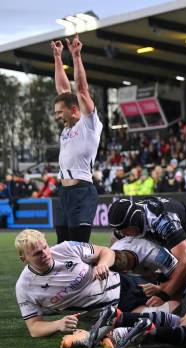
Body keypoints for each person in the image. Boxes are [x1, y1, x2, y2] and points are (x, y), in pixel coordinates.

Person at [13, 229, 150, 338]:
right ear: (23, 259)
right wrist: (58, 324)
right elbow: (34, 328)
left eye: (45, 247)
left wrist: (102, 264)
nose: (45, 254)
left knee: (166, 294)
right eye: (37, 253)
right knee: (156, 320)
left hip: (124, 286)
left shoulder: (66, 248)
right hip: (104, 317)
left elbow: (106, 251)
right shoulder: (24, 287)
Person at [107, 196, 186, 305]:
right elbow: (116, 240)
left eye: (125, 230)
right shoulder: (133, 217)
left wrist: (164, 294)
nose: (124, 234)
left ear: (135, 220)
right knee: (170, 276)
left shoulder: (163, 220)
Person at [51, 34, 102, 243]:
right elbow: (64, 90)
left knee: (77, 248)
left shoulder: (88, 124)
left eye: (59, 112)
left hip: (82, 192)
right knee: (63, 248)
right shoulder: (68, 127)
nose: (57, 116)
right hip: (64, 192)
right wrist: (57, 57)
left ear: (74, 110)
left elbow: (81, 89)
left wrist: (76, 55)